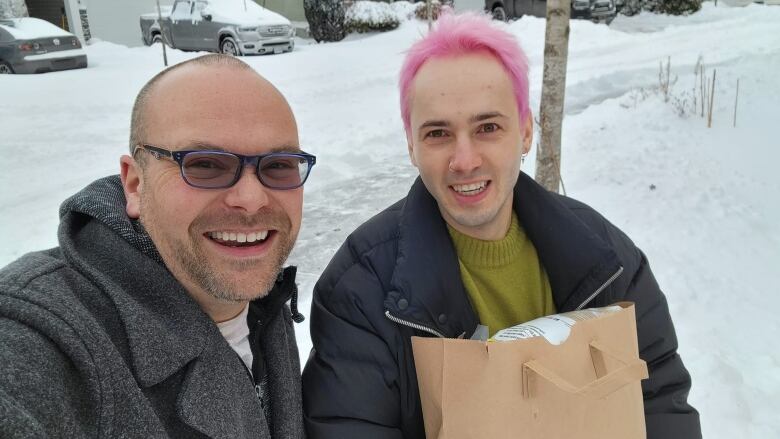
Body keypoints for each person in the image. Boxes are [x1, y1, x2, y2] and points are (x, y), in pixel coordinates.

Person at [302, 13, 700, 439]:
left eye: (488, 127)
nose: (465, 160)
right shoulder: (362, 290)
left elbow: (659, 401)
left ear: (526, 131)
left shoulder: (606, 259)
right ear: (411, 145)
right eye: (438, 133)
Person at [0, 54, 315, 438]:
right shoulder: (42, 334)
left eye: (278, 165)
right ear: (135, 184)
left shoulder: (263, 302)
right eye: (204, 165)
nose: (251, 198)